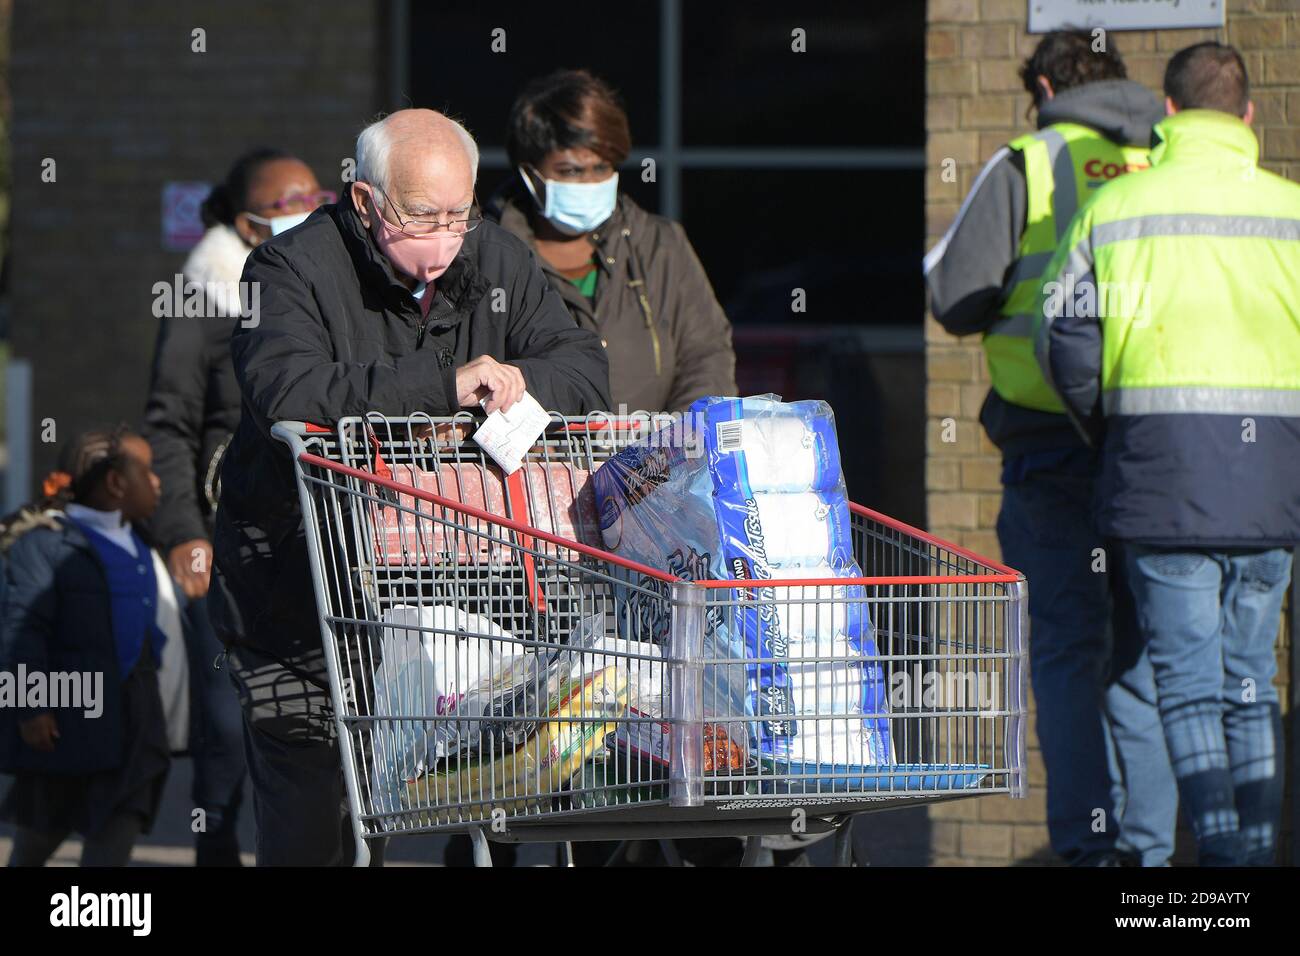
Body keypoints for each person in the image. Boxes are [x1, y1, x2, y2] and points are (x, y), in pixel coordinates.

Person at [209, 108, 610, 866]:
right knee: (312, 820)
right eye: (422, 215)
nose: (446, 233)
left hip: (453, 593)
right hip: (299, 595)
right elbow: (287, 388)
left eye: (459, 213)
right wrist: (444, 387)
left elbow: (584, 367)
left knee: (474, 802)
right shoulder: (289, 270)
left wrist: (522, 381)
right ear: (363, 202)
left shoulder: (496, 259)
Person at [1038, 42, 1300, 866]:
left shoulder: (1116, 210)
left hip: (1164, 484)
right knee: (1251, 680)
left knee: (1185, 687)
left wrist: (1111, 428)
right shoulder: (1291, 213)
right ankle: (1248, 865)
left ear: (1172, 116)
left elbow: (1064, 340)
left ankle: (1224, 866)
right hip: (1272, 492)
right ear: (1249, 116)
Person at [924, 30, 1177, 865]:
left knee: (1069, 652)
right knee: (1139, 657)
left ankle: (1086, 851)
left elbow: (956, 299)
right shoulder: (1166, 156)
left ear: (1041, 85)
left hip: (1049, 445)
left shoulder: (1030, 162)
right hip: (1158, 446)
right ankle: (1149, 853)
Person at [142, 148, 331, 867]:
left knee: (311, 718)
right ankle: (214, 843)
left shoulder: (311, 288)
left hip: (311, 539)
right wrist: (184, 536)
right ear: (248, 221)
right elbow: (169, 426)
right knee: (227, 717)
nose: (303, 209)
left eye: (311, 194)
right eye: (286, 203)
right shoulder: (203, 299)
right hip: (224, 543)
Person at [487, 68, 736, 414]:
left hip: (658, 461)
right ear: (531, 174)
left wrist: (675, 447)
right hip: (535, 465)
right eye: (571, 170)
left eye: (602, 168)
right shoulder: (487, 254)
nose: (590, 182)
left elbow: (706, 356)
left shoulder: (660, 245)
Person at [0, 427, 172, 866]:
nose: (157, 482)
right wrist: (30, 706)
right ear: (115, 483)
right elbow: (21, 626)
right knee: (41, 832)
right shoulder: (45, 544)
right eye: (147, 472)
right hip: (69, 720)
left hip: (135, 723)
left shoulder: (141, 542)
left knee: (119, 827)